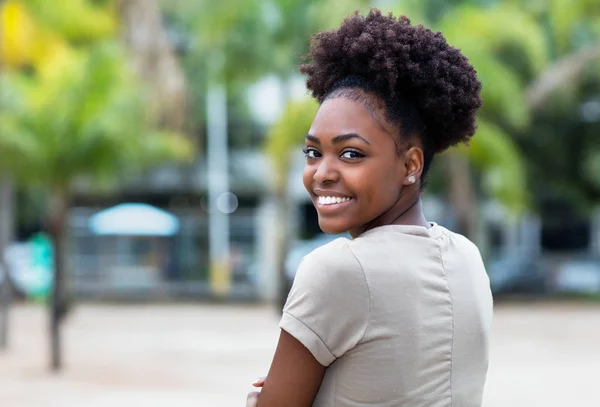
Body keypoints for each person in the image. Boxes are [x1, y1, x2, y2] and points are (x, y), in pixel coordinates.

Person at [247, 8, 493, 407]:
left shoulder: (337, 269)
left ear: (410, 164)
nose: (321, 174)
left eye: (350, 154)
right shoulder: (467, 256)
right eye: (313, 152)